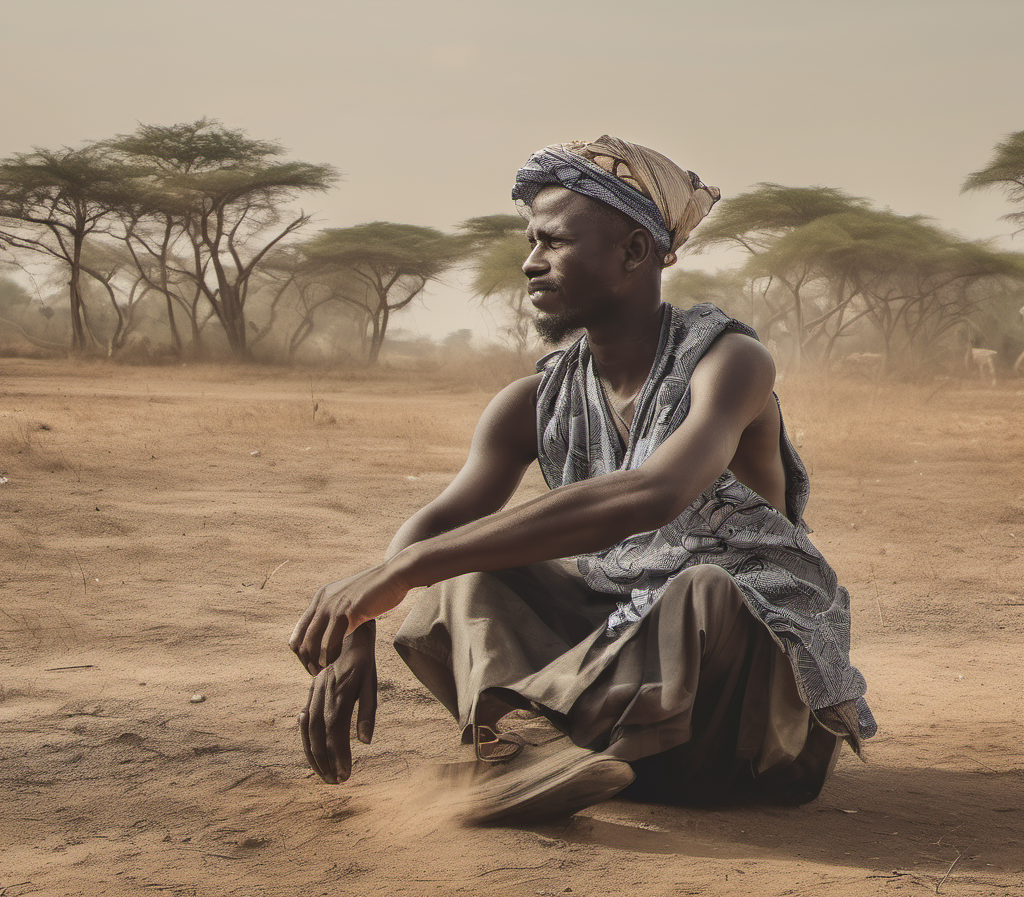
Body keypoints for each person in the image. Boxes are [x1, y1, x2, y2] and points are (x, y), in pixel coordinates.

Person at [288, 136, 876, 823]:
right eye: (529, 241)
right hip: (619, 738)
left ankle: (547, 735)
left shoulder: (729, 362)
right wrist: (359, 618)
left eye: (555, 242)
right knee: (471, 571)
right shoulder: (530, 402)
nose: (530, 263)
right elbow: (438, 523)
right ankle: (529, 749)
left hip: (741, 735)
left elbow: (654, 493)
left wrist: (406, 568)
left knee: (704, 590)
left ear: (633, 251)